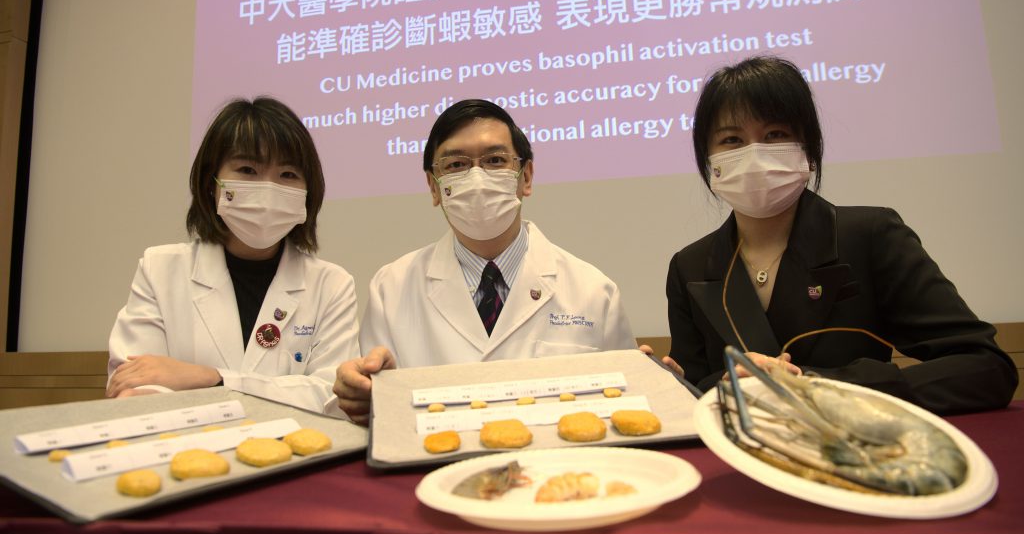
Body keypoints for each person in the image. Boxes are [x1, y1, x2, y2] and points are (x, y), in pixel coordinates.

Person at [666, 56, 1017, 415]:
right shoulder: (689, 267)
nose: (754, 154)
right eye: (731, 139)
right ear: (709, 161)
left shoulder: (870, 236)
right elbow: (698, 391)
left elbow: (986, 368)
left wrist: (817, 386)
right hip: (746, 460)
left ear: (809, 148)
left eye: (775, 135)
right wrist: (665, 382)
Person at [334, 99, 636, 423]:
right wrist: (362, 397)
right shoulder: (391, 288)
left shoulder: (593, 290)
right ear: (434, 188)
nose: (477, 178)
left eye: (495, 160)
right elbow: (375, 412)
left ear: (526, 177)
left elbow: (629, 403)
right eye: (456, 165)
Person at [107, 97, 359, 416]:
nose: (267, 188)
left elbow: (331, 398)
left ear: (309, 192)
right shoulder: (159, 269)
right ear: (211, 182)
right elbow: (135, 388)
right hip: (185, 453)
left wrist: (211, 379)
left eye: (288, 174)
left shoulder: (332, 284)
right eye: (248, 169)